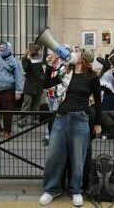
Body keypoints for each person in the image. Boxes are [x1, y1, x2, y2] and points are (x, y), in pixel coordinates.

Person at [39, 46, 102, 207]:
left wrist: (98, 123)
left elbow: (98, 102)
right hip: (61, 117)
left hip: (80, 120)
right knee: (54, 156)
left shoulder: (92, 77)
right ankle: (51, 189)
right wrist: (50, 67)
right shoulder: (65, 72)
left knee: (78, 159)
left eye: (78, 52)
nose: (73, 53)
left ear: (84, 58)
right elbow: (47, 84)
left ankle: (76, 190)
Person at [0, 42, 24, 139]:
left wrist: (18, 91)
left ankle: (7, 131)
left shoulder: (15, 62)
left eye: (4, 49)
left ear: (9, 50)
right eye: (1, 48)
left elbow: (19, 77)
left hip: (8, 90)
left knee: (8, 111)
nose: (1, 50)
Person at [18, 44, 44, 128]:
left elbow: (41, 71)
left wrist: (42, 79)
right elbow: (26, 69)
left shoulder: (38, 59)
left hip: (38, 85)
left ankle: (35, 120)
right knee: (27, 104)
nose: (40, 52)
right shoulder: (25, 59)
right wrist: (29, 59)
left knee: (36, 105)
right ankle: (22, 120)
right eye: (39, 50)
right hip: (29, 85)